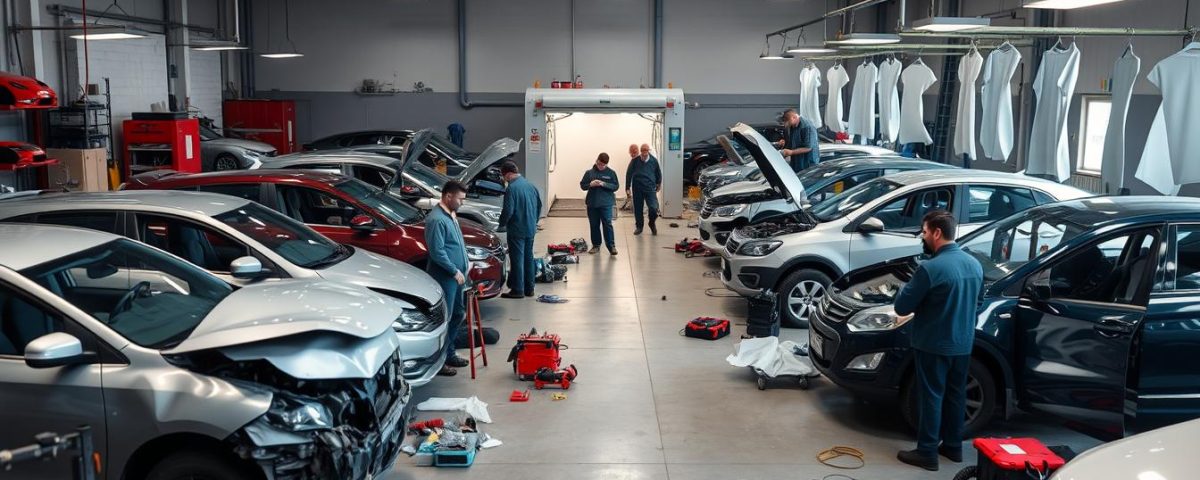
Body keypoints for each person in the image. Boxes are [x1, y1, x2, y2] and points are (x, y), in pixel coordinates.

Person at [892, 210, 984, 472]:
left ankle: (927, 452)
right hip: (963, 344)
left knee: (931, 396)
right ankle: (954, 448)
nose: (922, 236)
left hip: (932, 344)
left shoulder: (930, 269)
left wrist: (903, 287)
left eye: (923, 231)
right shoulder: (974, 265)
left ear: (936, 233)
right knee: (956, 395)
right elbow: (978, 303)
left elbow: (902, 307)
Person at [423, 180, 475, 376]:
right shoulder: (436, 220)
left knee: (457, 315)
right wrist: (454, 270)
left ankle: (449, 352)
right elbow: (437, 252)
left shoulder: (451, 215)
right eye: (460, 199)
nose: (462, 203)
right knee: (445, 318)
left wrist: (466, 261)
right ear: (448, 196)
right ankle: (439, 361)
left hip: (458, 277)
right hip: (446, 277)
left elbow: (457, 243)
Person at [498, 161, 542, 299]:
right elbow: (539, 207)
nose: (504, 179)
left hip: (517, 229)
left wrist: (501, 223)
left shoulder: (511, 188)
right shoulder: (531, 185)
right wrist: (534, 222)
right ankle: (530, 288)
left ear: (508, 174)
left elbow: (508, 210)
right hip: (530, 228)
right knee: (528, 257)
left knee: (517, 259)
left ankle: (518, 290)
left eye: (504, 176)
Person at [580, 152, 619, 255]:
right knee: (594, 225)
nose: (600, 166)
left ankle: (611, 246)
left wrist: (604, 184)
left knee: (607, 224)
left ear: (606, 164)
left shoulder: (611, 173)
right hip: (592, 204)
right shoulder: (589, 173)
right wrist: (590, 184)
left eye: (603, 165)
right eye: (599, 164)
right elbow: (583, 185)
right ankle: (596, 245)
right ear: (597, 161)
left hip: (606, 204)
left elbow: (615, 186)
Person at [625, 143, 662, 235]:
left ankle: (651, 222)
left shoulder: (654, 161)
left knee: (654, 208)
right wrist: (627, 187)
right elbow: (629, 174)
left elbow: (658, 173)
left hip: (650, 188)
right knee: (638, 208)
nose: (644, 156)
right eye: (642, 154)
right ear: (640, 152)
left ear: (648, 152)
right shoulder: (635, 161)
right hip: (637, 187)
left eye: (646, 154)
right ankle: (639, 227)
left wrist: (658, 184)